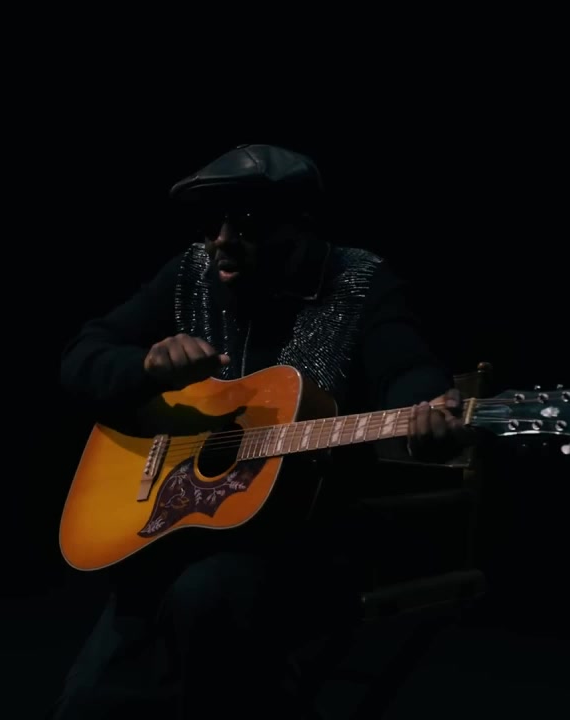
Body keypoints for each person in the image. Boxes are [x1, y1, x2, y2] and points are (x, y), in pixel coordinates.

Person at [51, 144, 471, 719]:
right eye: (211, 224)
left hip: (306, 541)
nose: (222, 240)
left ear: (300, 223)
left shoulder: (359, 282)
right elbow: (82, 357)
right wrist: (145, 366)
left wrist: (425, 408)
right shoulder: (191, 274)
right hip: (181, 533)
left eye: (246, 223)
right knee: (89, 702)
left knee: (206, 600)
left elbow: (405, 367)